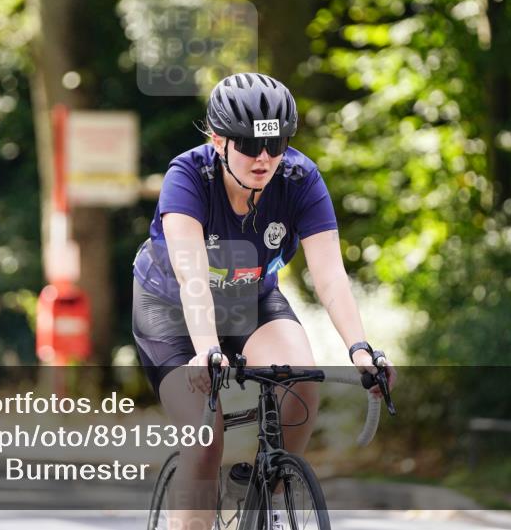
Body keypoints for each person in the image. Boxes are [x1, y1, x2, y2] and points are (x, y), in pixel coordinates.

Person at [132, 72, 395, 529]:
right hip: (173, 308)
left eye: (276, 145)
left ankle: (263, 492)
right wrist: (206, 349)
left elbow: (330, 275)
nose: (265, 158)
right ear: (218, 141)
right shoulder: (187, 177)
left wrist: (359, 347)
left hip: (249, 299)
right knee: (205, 439)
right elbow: (192, 276)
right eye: (250, 146)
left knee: (301, 383)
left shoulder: (299, 178)